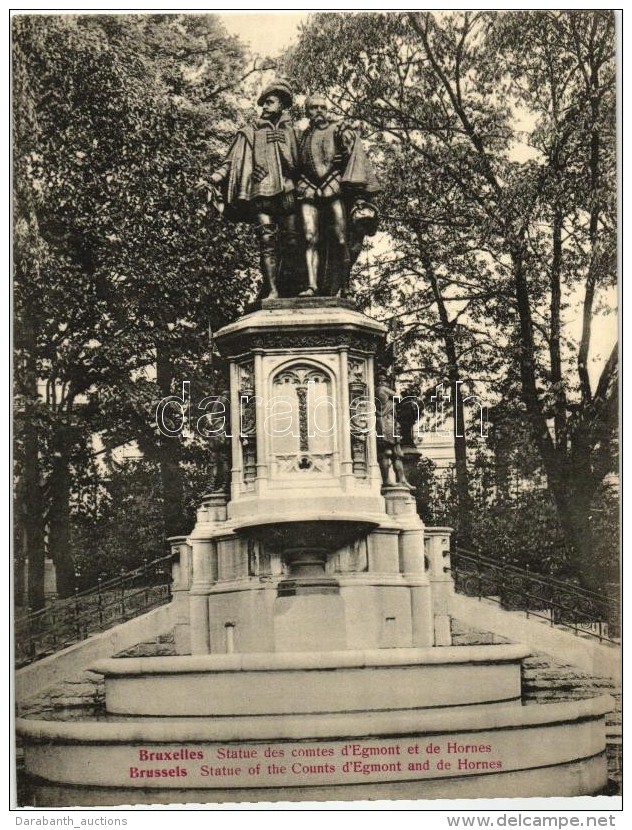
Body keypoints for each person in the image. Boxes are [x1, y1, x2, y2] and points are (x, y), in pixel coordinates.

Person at [207, 80, 302, 299]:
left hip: (288, 193)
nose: (265, 107)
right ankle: (272, 290)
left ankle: (290, 287)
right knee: (267, 241)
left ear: (282, 105)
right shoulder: (250, 131)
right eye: (264, 103)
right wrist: (214, 178)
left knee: (293, 240)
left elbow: (302, 163)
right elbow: (230, 162)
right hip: (261, 193)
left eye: (270, 102)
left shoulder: (292, 132)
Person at [296, 93, 381, 297]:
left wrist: (359, 195)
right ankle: (311, 286)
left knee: (341, 238)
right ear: (307, 112)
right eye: (314, 108)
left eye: (322, 108)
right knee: (309, 238)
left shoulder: (339, 129)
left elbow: (354, 158)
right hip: (307, 189)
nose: (319, 111)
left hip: (333, 186)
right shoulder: (302, 137)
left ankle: (344, 284)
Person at [375, 371, 413, 489]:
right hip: (387, 424)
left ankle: (401, 479)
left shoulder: (376, 391)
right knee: (387, 453)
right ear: (383, 381)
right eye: (385, 381)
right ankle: (389, 480)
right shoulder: (382, 389)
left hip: (387, 424)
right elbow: (400, 398)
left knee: (395, 453)